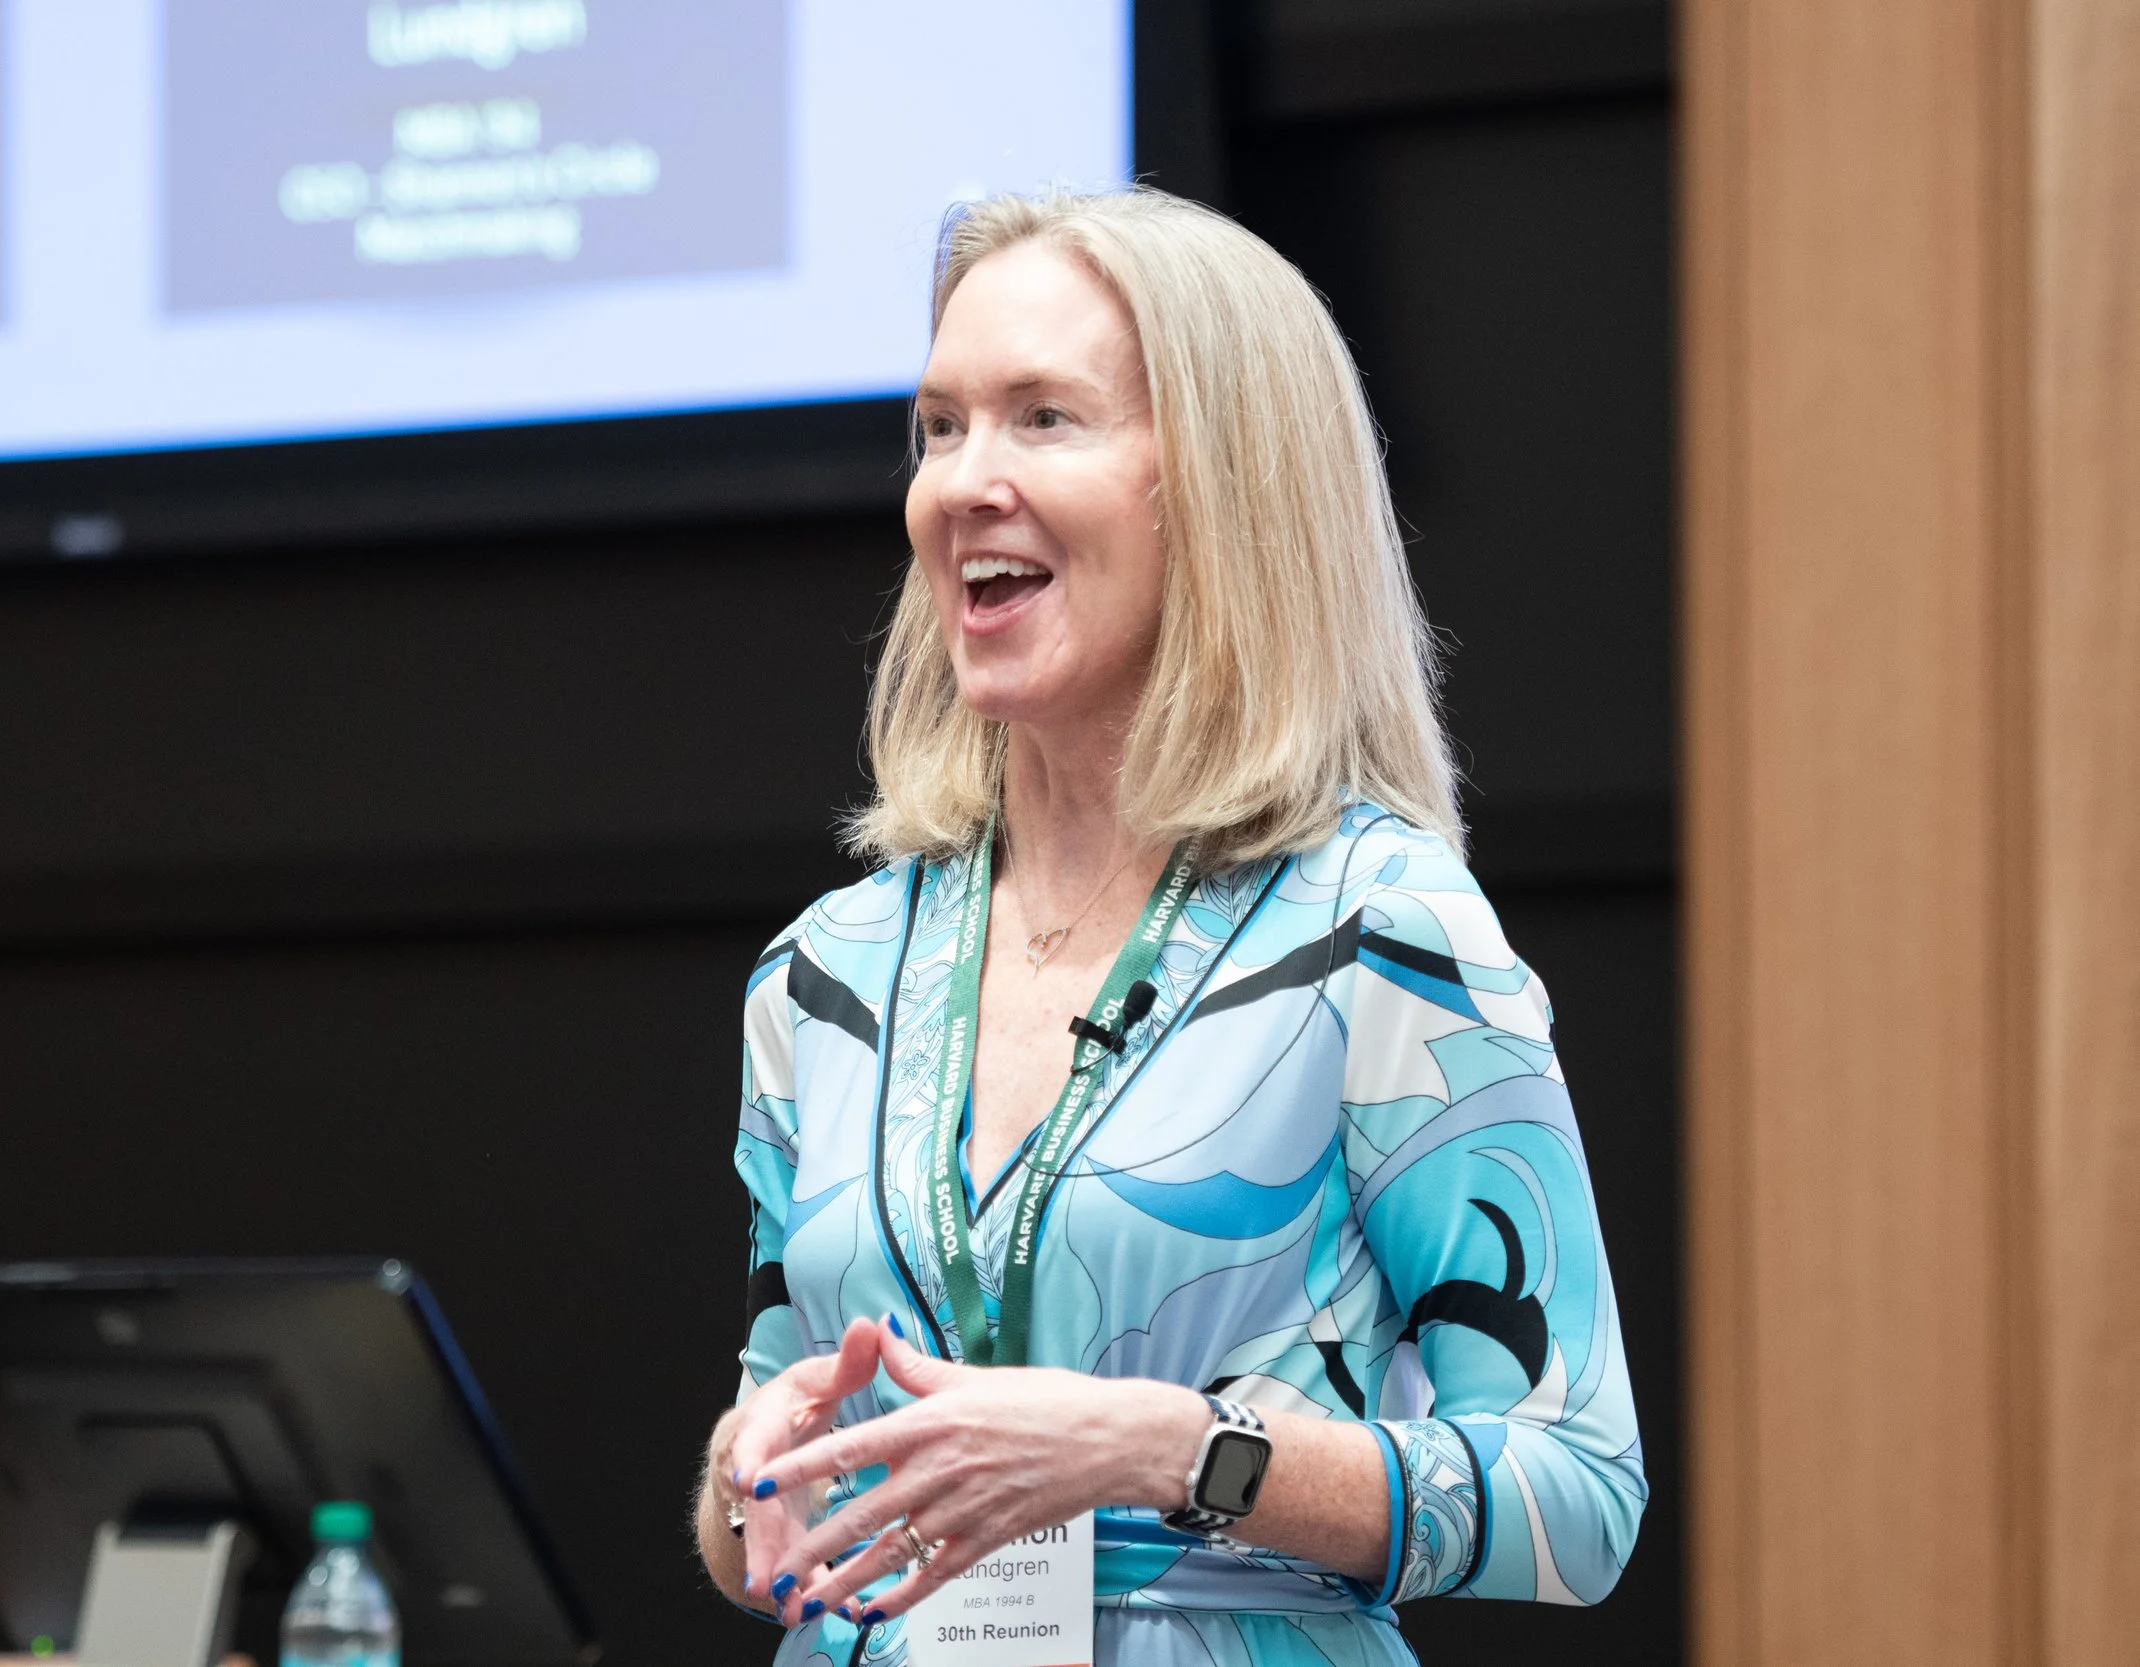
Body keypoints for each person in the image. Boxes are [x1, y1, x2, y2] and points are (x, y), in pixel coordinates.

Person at [693, 187, 1642, 1666]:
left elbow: (1577, 1498)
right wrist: (750, 1481)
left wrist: (1172, 1447)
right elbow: (766, 1509)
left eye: (1042, 419)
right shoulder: (829, 973)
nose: (961, 484)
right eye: (940, 427)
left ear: (1221, 483)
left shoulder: (1375, 928)